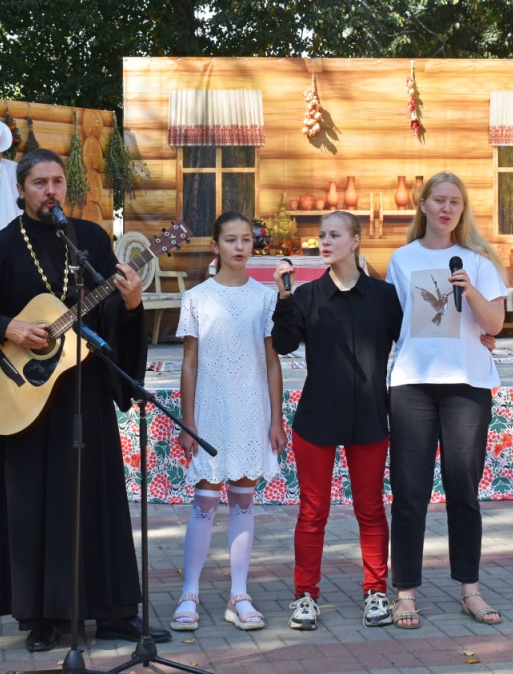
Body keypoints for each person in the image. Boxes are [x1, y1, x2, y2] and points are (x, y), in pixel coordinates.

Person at [0, 149, 171, 652]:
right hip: (24, 405)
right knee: (33, 506)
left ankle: (111, 612)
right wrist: (7, 327)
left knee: (97, 499)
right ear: (21, 191)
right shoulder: (3, 246)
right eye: (40, 182)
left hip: (83, 393)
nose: (51, 191)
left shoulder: (88, 240)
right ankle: (41, 616)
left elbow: (111, 317)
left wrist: (132, 305)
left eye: (58, 182)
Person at [385, 171, 508, 629]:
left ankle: (470, 590)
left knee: (463, 490)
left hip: (466, 385)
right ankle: (405, 593)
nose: (446, 208)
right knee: (410, 493)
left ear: (462, 210)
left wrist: (469, 290)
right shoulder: (401, 259)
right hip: (413, 383)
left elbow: (494, 323)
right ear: (423, 205)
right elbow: (390, 322)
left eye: (455, 201)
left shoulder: (477, 262)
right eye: (439, 200)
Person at [269, 211, 401, 630]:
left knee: (370, 508)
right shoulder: (306, 296)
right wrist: (284, 299)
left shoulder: (383, 296)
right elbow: (286, 343)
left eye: (334, 235)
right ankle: (305, 596)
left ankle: (376, 592)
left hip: (369, 418)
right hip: (316, 418)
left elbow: (415, 340)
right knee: (312, 511)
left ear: (355, 241)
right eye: (321, 236)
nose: (325, 242)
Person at [169, 211, 287, 633]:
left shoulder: (265, 297)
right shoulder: (197, 298)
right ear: (216, 246)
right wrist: (188, 422)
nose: (240, 247)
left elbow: (272, 361)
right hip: (211, 409)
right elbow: (189, 362)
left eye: (247, 240)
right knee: (205, 501)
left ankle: (240, 594)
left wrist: (275, 417)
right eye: (231, 240)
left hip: (252, 409)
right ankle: (189, 593)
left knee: (243, 499)